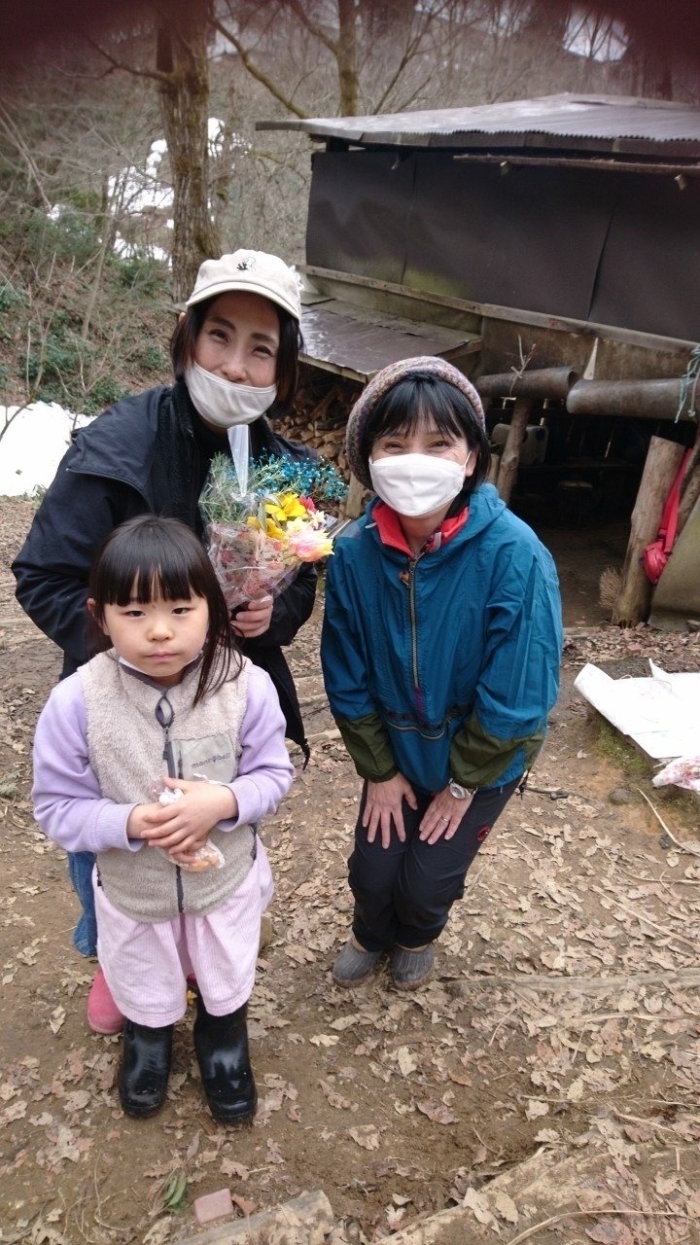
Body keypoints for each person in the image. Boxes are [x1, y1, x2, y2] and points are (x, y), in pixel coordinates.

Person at [12, 249, 314, 1035]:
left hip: (223, 703)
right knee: (113, 833)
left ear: (282, 370)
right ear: (187, 337)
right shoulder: (115, 446)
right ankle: (115, 952)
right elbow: (43, 574)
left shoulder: (283, 471)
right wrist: (127, 645)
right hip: (118, 698)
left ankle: (205, 950)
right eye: (220, 336)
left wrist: (271, 615)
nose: (236, 365)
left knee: (217, 828)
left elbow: (300, 582)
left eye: (260, 349)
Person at [32, 516, 295, 1122]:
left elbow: (273, 774)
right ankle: (148, 1036)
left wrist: (224, 802)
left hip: (222, 883)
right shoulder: (77, 702)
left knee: (224, 968)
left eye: (180, 609)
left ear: (212, 609)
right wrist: (129, 822)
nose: (159, 630)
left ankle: (223, 1035)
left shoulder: (246, 686)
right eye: (134, 612)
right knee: (142, 972)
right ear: (100, 616)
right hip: (136, 890)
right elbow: (56, 805)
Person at [321, 356, 563, 991]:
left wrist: (462, 785)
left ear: (471, 457)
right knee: (374, 870)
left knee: (427, 880)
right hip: (398, 748)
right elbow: (345, 673)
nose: (414, 461)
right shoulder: (352, 554)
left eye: (438, 444)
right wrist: (379, 770)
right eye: (394, 444)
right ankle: (370, 932)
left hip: (483, 756)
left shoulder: (515, 556)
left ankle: (416, 935)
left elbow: (519, 695)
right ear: (368, 458)